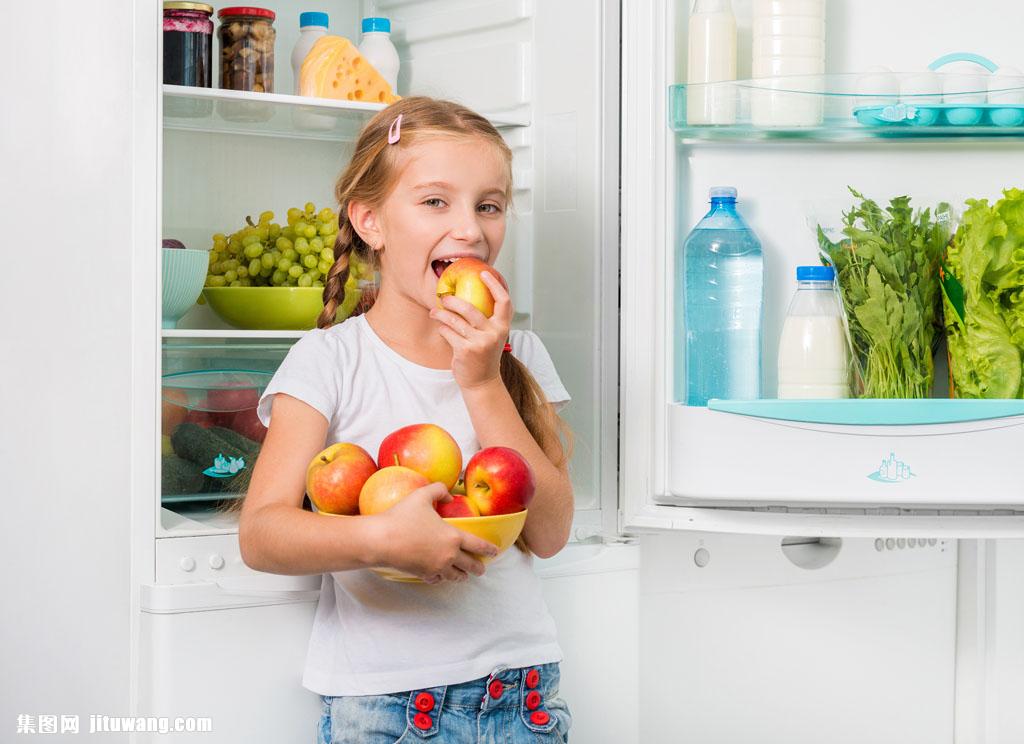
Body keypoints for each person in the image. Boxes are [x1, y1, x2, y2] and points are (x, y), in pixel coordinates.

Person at [238, 96, 576, 743]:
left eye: (489, 204)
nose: (472, 230)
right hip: (389, 708)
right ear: (370, 221)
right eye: (435, 202)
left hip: (525, 696)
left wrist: (480, 381)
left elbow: (552, 530)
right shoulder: (330, 359)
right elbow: (262, 534)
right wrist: (382, 541)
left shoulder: (521, 355)